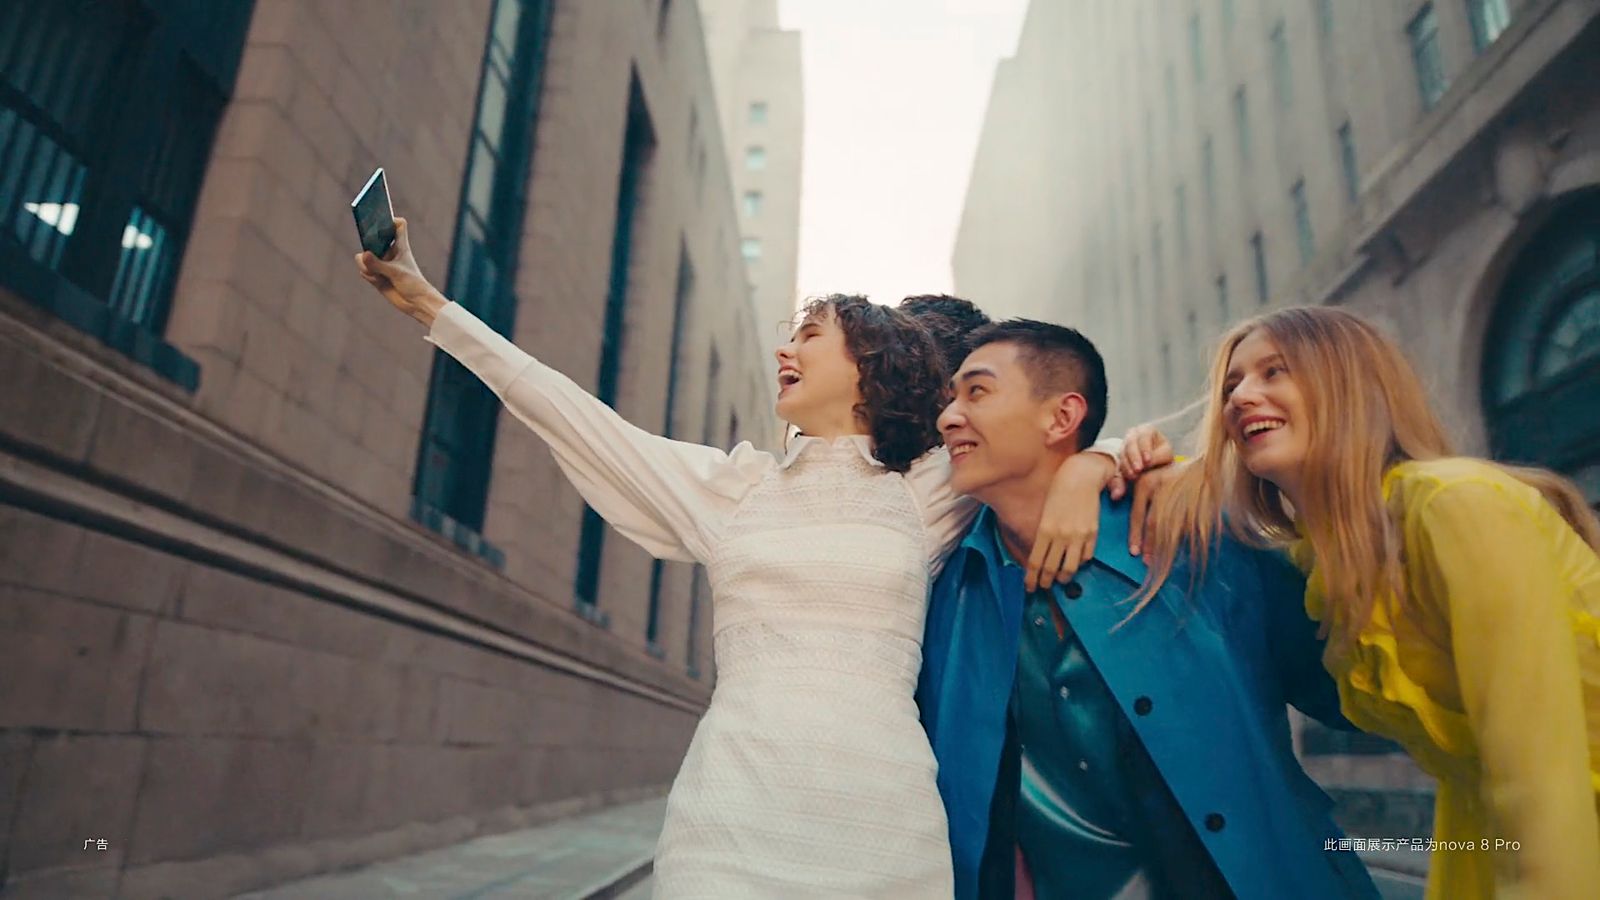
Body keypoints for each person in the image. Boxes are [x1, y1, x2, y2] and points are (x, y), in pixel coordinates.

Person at [354, 220, 1122, 896]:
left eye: (812, 334)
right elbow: (571, 413)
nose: (785, 349)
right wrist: (430, 304)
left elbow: (1047, 449)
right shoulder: (732, 492)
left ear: (870, 363)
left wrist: (1097, 463)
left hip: (885, 828)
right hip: (728, 823)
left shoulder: (923, 495)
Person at [1120, 306, 1600, 899]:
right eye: (1232, 385)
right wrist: (1110, 458)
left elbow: (1540, 776)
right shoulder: (1323, 565)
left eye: (1275, 371)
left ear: (1347, 387)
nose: (1242, 396)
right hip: (1489, 839)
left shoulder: (1458, 506)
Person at [916, 318, 1379, 899]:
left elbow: (1349, 692)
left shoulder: (1194, 533)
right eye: (950, 398)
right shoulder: (945, 593)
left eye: (976, 392)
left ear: (1062, 417)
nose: (949, 417)